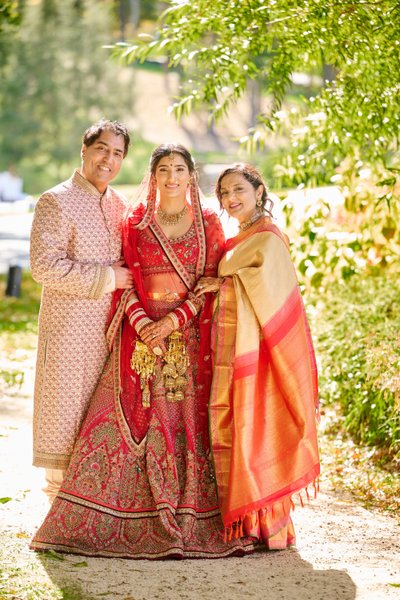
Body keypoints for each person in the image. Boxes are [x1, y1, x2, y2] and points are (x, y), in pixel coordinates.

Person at [30, 144, 253, 559]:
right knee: (129, 422)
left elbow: (209, 283)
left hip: (187, 342)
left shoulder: (208, 223)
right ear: (153, 175)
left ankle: (189, 517)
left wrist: (171, 323)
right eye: (163, 169)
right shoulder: (134, 222)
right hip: (138, 342)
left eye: (180, 169)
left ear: (191, 175)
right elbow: (127, 279)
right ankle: (110, 516)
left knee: (187, 425)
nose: (171, 177)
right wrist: (143, 324)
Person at [194, 163, 320, 550]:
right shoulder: (241, 236)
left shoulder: (267, 239)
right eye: (224, 194)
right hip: (238, 350)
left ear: (259, 191)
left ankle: (272, 527)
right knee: (243, 429)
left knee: (259, 426)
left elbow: (272, 293)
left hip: (263, 355)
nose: (231, 200)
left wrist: (222, 283)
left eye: (238, 191)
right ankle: (252, 525)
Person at [30, 119, 133, 503]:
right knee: (65, 413)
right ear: (85, 149)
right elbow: (44, 266)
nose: (108, 159)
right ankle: (58, 510)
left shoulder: (120, 205)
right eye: (102, 148)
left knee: (100, 415)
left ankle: (92, 508)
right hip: (68, 330)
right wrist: (109, 278)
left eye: (118, 153)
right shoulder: (55, 200)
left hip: (109, 333)